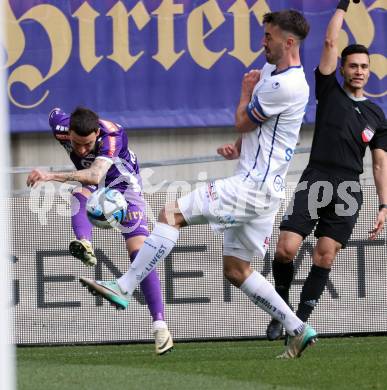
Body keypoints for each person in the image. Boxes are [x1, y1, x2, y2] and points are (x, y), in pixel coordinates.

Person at [80, 10, 316, 359]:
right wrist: (240, 147)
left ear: (289, 42)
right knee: (237, 270)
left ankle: (125, 286)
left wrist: (244, 92)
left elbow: (241, 120)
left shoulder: (288, 84)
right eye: (264, 35)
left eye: (269, 36)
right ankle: (298, 329)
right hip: (263, 188)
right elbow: (265, 131)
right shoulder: (272, 72)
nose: (263, 41)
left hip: (251, 188)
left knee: (170, 213)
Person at [266, 0, 387, 341]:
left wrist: (383, 204)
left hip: (349, 187)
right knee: (285, 249)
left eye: (364, 66)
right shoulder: (329, 90)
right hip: (316, 177)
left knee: (325, 254)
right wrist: (343, 6)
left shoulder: (377, 116)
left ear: (369, 70)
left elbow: (380, 161)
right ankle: (282, 310)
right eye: (353, 66)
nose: (359, 71)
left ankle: (299, 322)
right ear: (344, 69)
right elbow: (331, 42)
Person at [26, 106, 174, 355]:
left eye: (87, 144)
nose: (81, 149)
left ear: (96, 133)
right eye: (76, 143)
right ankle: (84, 243)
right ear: (68, 131)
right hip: (92, 183)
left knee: (140, 252)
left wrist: (49, 175)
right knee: (78, 195)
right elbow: (54, 111)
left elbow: (95, 176)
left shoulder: (113, 136)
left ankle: (160, 327)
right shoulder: (60, 125)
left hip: (123, 185)